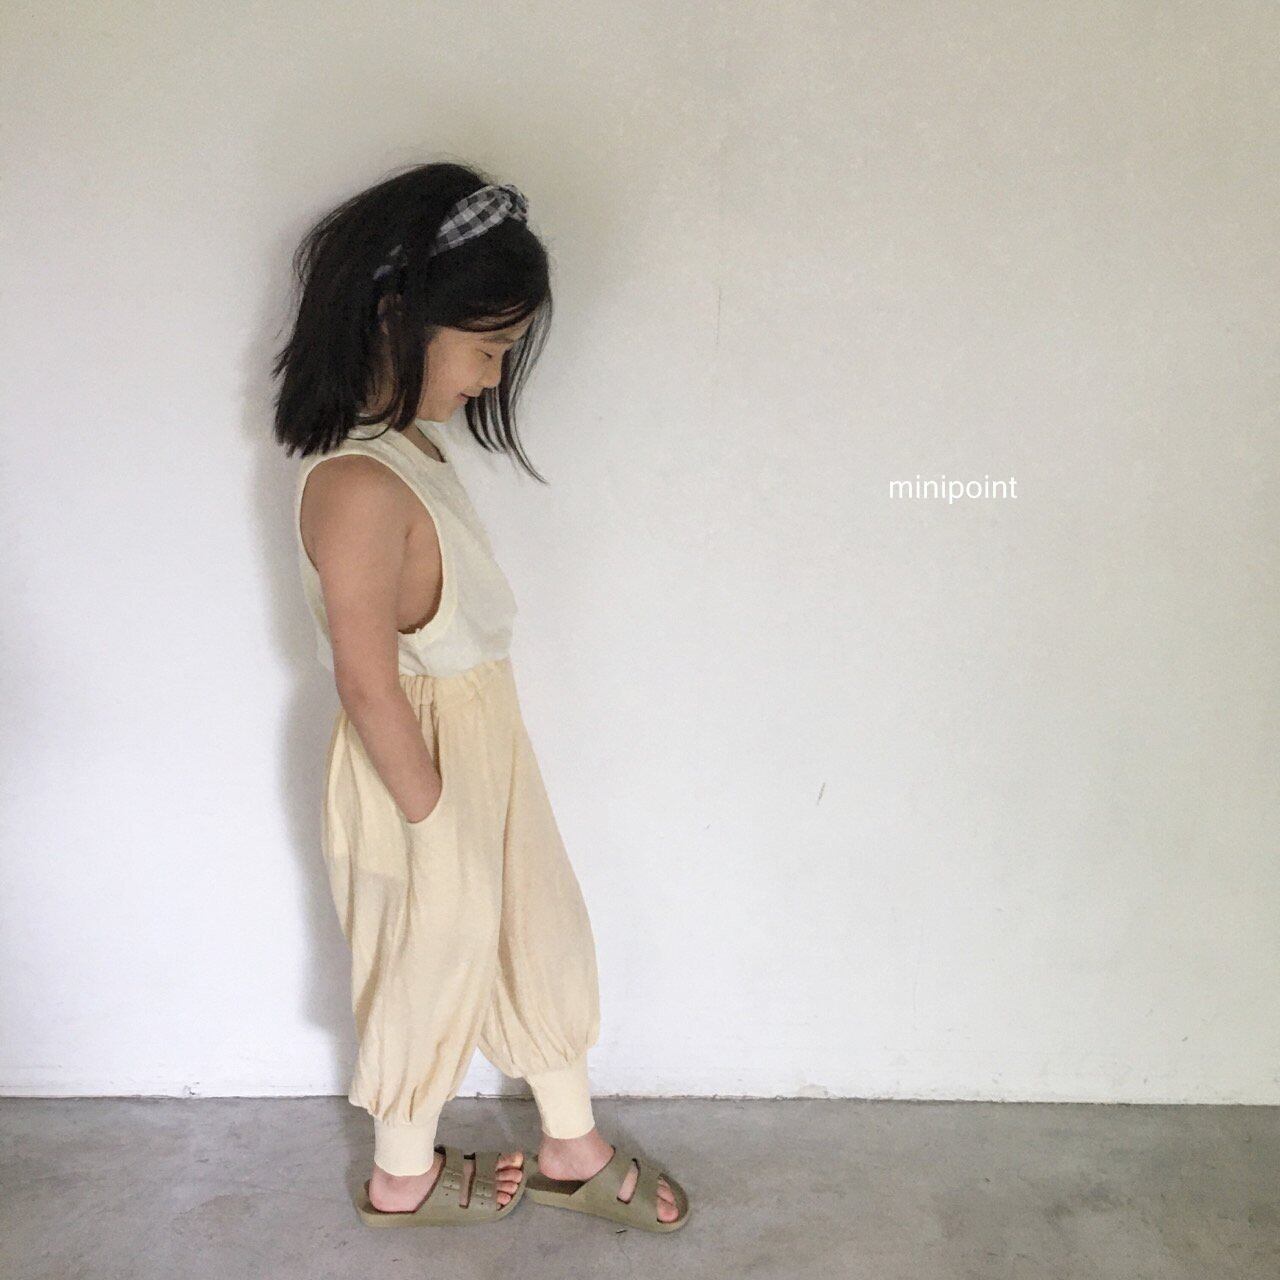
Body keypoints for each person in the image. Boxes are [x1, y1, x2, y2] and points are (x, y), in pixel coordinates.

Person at [273, 162, 689, 1232]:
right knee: (430, 950)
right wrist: (430, 813)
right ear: (394, 315)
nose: (494, 375)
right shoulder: (357, 485)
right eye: (487, 347)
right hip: (414, 761)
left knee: (533, 922)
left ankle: (569, 1138)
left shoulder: (412, 452)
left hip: (483, 737)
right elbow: (366, 678)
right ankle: (400, 1173)